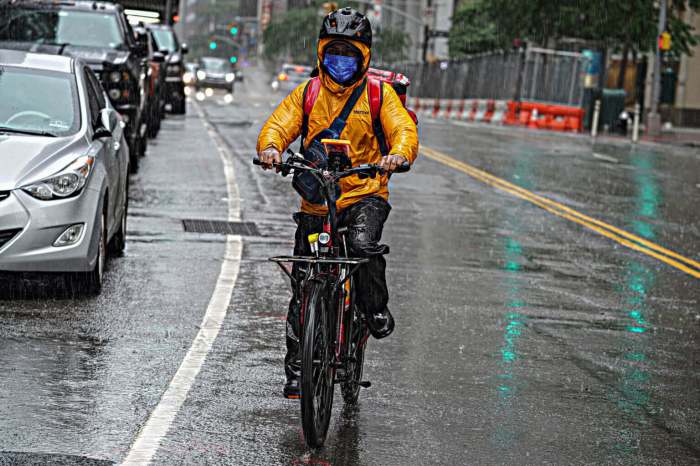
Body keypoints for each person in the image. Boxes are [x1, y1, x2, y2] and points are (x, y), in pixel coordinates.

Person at [256, 7, 419, 399]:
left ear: (364, 57)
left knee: (363, 248)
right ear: (321, 54)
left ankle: (374, 308)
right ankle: (297, 371)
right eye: (333, 54)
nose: (340, 63)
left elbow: (403, 130)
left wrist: (397, 155)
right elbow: (278, 125)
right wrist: (271, 148)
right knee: (303, 285)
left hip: (364, 195)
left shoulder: (379, 95)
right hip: (317, 199)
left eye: (349, 54)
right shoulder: (308, 92)